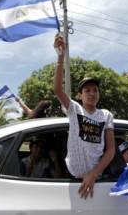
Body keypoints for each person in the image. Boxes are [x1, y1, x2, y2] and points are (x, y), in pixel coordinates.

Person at [53, 34, 115, 199]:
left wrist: (94, 174)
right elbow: (58, 90)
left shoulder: (106, 115)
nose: (92, 93)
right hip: (73, 180)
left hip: (97, 180)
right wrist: (60, 57)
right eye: (87, 90)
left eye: (95, 90)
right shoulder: (74, 109)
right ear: (79, 95)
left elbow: (111, 150)